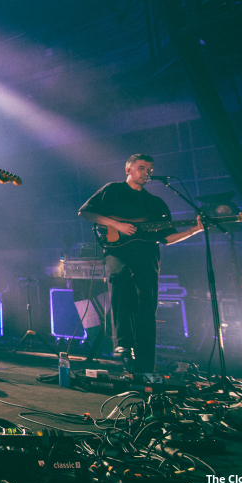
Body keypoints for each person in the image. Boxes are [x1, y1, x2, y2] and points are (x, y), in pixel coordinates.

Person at [78, 154, 202, 375]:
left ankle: (145, 366)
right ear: (128, 169)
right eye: (142, 168)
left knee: (146, 305)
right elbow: (85, 212)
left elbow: (167, 238)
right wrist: (116, 224)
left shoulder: (155, 203)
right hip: (118, 251)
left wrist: (194, 230)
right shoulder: (112, 190)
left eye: (150, 169)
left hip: (147, 255)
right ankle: (123, 343)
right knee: (121, 276)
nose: (147, 173)